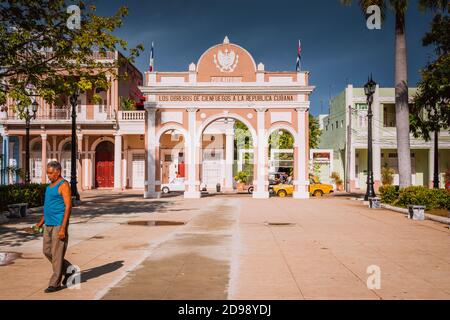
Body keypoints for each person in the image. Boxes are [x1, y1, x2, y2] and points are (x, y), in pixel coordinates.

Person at [34, 161, 73, 293]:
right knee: (47, 251)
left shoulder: (64, 185)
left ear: (58, 171)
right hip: (48, 223)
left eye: (50, 173)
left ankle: (55, 283)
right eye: (47, 173)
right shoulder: (50, 186)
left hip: (58, 223)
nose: (48, 175)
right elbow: (48, 207)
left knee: (57, 254)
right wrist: (40, 222)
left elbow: (68, 206)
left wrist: (63, 228)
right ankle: (69, 269)